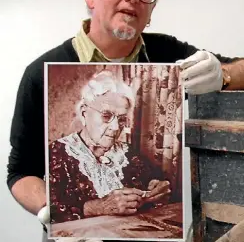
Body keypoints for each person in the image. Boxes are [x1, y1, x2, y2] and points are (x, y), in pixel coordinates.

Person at [6, 0, 244, 242]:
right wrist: (50, 208)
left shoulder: (169, 54)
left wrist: (221, 75)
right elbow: (20, 172)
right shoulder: (41, 72)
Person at [48, 70, 171, 224]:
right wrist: (97, 207)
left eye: (121, 119)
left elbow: (157, 184)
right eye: (106, 116)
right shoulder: (55, 154)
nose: (115, 127)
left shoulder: (128, 153)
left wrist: (158, 190)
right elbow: (47, 211)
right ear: (84, 113)